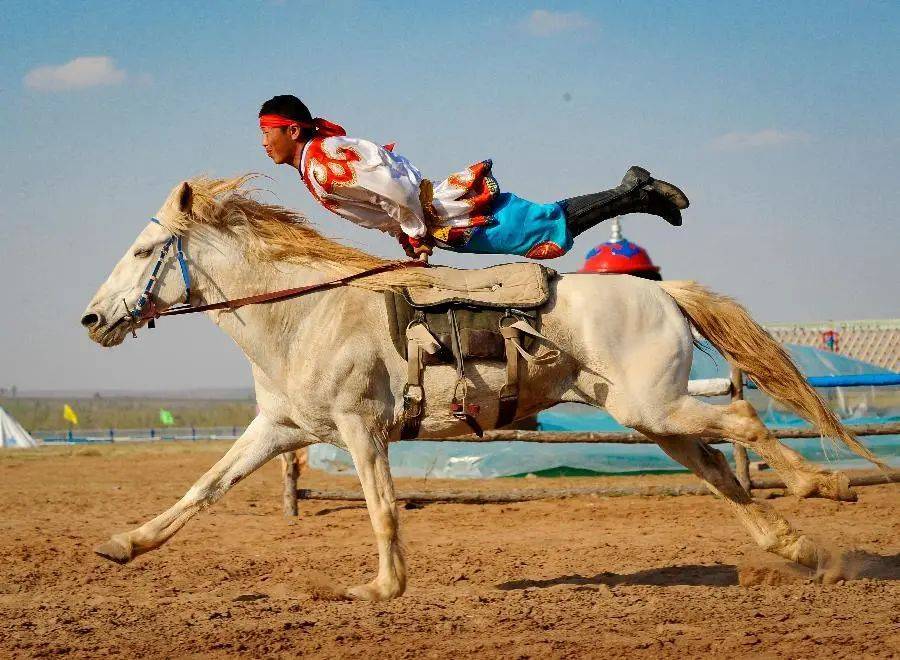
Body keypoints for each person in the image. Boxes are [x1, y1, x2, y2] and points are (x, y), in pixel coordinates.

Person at [259, 94, 688, 260]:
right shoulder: (319, 162)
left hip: (449, 215)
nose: (264, 144)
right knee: (540, 225)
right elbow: (385, 198)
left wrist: (416, 233)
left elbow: (396, 189)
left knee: (541, 229)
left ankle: (635, 190)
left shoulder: (323, 162)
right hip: (439, 220)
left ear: (292, 130)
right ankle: (637, 195)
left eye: (267, 133)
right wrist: (408, 235)